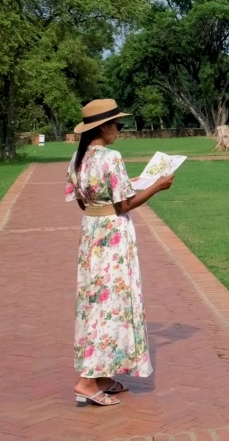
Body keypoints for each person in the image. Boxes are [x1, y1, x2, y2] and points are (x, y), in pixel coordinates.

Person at [64, 99, 174, 407]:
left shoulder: (78, 157)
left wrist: (136, 183)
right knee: (111, 303)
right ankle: (86, 381)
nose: (119, 130)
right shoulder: (111, 157)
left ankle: (101, 375)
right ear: (103, 127)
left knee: (96, 302)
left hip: (91, 234)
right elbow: (124, 204)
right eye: (117, 125)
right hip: (113, 235)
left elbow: (83, 203)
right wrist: (157, 186)